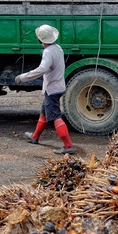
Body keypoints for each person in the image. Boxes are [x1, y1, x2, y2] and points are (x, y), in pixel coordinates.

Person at [14, 25, 76, 154]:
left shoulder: (48, 52)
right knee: (44, 112)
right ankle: (35, 137)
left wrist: (23, 77)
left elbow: (42, 69)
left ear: (40, 40)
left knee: (55, 117)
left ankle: (68, 146)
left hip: (52, 88)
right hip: (57, 86)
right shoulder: (58, 48)